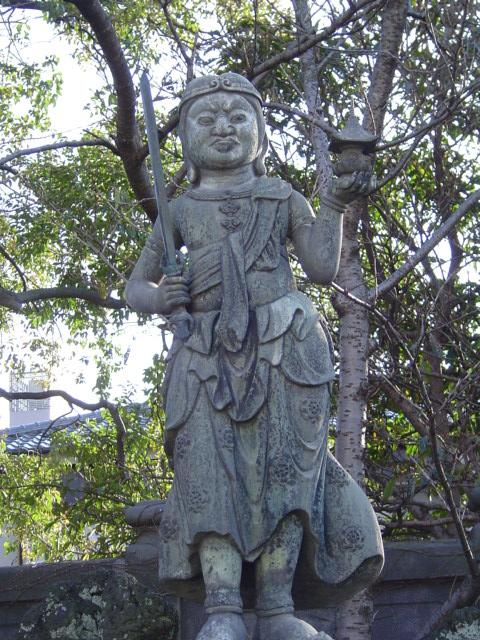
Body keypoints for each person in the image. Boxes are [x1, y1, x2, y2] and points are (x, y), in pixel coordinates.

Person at [125, 72, 383, 640]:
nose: (223, 127)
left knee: (286, 474)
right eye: (207, 118)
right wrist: (160, 297)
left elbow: (321, 267)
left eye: (238, 117)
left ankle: (276, 606)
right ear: (186, 138)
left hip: (284, 347)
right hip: (204, 355)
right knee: (208, 474)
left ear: (260, 133)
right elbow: (135, 285)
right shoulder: (180, 210)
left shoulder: (282, 197)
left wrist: (334, 204)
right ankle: (221, 607)